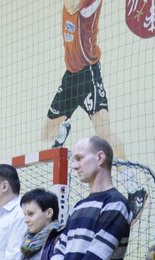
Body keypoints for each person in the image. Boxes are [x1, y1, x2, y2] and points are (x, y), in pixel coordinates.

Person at [43, 0, 124, 157]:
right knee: (47, 134)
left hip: (88, 73)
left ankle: (128, 175)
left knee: (104, 134)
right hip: (70, 76)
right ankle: (62, 133)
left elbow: (72, 7)